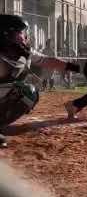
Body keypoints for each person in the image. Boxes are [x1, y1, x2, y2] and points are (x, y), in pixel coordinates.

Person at [0, 15, 81, 148]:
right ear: (6, 34)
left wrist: (78, 68)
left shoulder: (21, 51)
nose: (24, 36)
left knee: (28, 93)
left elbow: (47, 61)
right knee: (23, 91)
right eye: (20, 32)